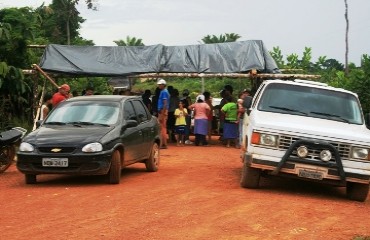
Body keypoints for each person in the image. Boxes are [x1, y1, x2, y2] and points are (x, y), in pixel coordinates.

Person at [157, 79, 170, 149]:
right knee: (163, 127)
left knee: (162, 128)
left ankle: (163, 144)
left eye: (160, 84)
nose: (159, 85)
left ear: (163, 85)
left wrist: (162, 114)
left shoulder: (164, 92)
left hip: (162, 111)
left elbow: (165, 103)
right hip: (163, 111)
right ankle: (163, 143)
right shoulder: (164, 91)